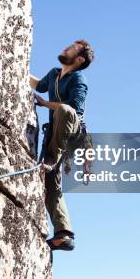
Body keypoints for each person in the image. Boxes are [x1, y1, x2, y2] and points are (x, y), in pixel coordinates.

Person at [30, 39, 94, 251]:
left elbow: (75, 110)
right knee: (51, 184)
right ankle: (64, 234)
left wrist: (46, 104)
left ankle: (52, 158)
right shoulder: (54, 74)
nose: (65, 48)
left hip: (73, 134)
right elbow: (39, 85)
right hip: (56, 136)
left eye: (72, 48)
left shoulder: (78, 78)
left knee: (65, 110)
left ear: (79, 59)